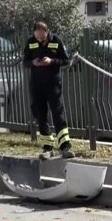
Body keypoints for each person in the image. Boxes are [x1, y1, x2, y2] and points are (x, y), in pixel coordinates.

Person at [22, 21, 75, 159]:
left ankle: (65, 147)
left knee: (58, 114)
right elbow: (25, 61)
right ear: (34, 32)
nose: (39, 36)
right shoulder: (30, 42)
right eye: (37, 33)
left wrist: (51, 61)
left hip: (53, 85)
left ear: (47, 31)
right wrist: (32, 62)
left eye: (42, 34)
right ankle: (47, 148)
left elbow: (66, 60)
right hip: (37, 85)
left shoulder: (56, 41)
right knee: (41, 116)